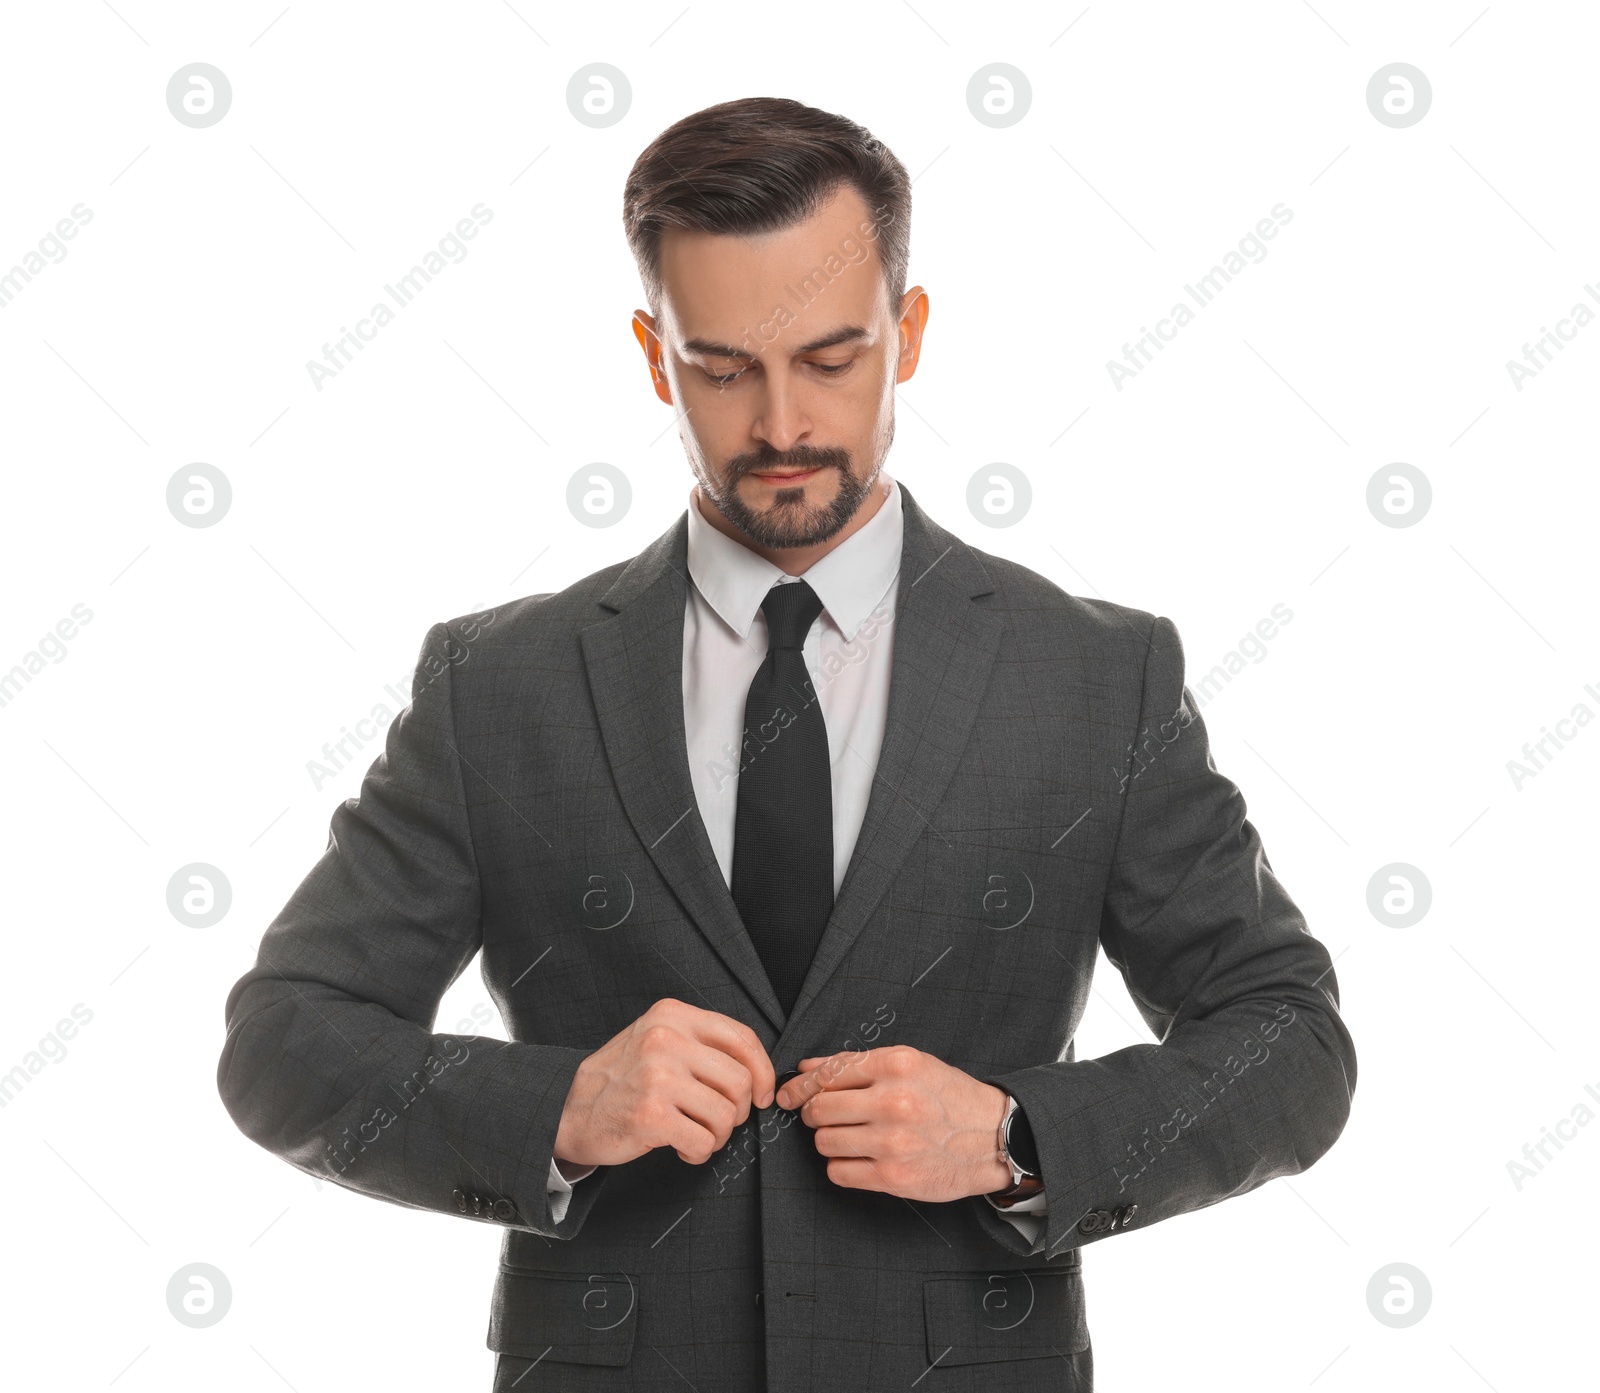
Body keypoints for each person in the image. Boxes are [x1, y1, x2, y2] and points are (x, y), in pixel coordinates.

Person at [217, 95, 1356, 1392]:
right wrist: (562, 1108)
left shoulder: (1095, 676)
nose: (780, 425)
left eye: (830, 358)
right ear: (656, 355)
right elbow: (285, 1039)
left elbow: (1291, 1043)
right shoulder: (499, 685)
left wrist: (1016, 1135)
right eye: (722, 366)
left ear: (908, 334)